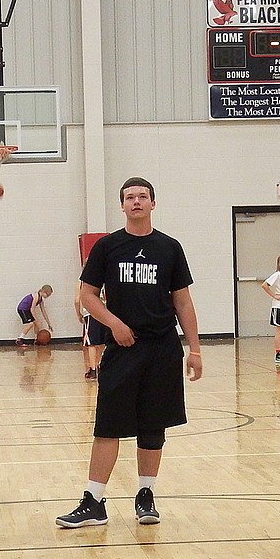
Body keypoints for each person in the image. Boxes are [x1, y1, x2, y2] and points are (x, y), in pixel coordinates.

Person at [55, 177, 202, 528]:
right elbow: (87, 295)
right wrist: (114, 323)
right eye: (130, 197)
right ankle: (94, 500)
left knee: (154, 426)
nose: (136, 201)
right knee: (108, 424)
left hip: (163, 348)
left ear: (153, 203)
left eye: (143, 196)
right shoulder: (108, 247)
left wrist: (194, 349)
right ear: (122, 206)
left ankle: (146, 495)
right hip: (122, 348)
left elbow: (182, 300)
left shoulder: (169, 247)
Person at [74, 279, 106, 379]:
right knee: (101, 341)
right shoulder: (103, 279)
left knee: (91, 342)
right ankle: (99, 365)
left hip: (91, 313)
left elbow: (76, 300)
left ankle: (93, 369)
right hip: (104, 312)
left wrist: (79, 314)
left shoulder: (81, 282)